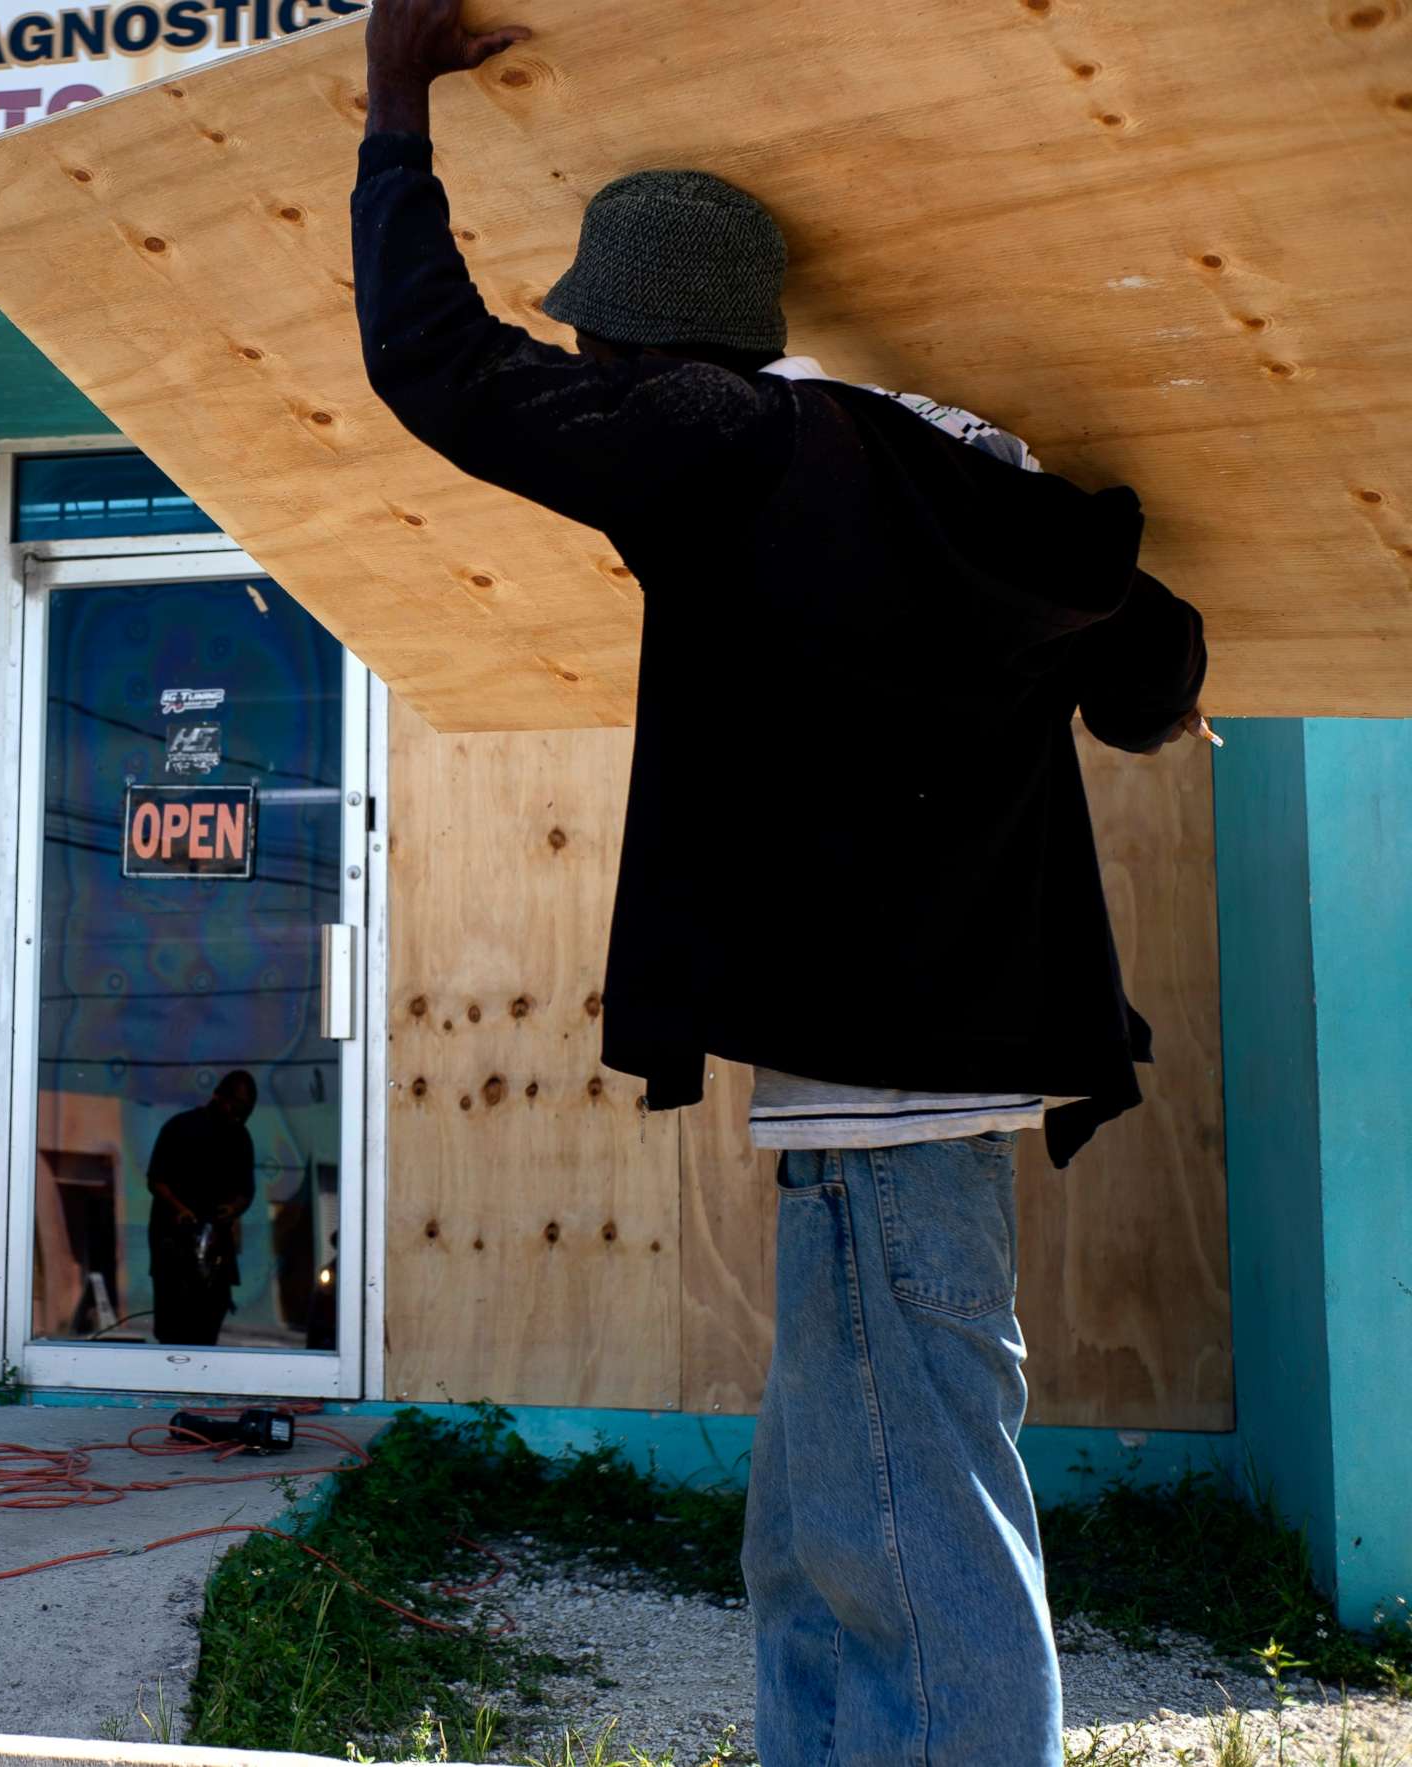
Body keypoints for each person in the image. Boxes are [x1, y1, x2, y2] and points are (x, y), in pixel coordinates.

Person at [351, 7, 1209, 1762]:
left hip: (881, 1098)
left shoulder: (719, 437)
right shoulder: (967, 468)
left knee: (913, 1526)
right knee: (822, 1538)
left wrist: (392, 100)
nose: (583, 361)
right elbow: (1152, 682)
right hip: (917, 1079)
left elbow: (439, 368)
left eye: (596, 333)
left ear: (648, 338)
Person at [143, 1071, 258, 1346]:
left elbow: (246, 1191)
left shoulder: (241, 1138)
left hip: (215, 1248)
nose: (238, 1115)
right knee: (173, 1332)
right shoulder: (180, 1127)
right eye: (236, 1106)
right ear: (219, 1096)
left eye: (245, 1110)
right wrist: (179, 1209)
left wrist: (232, 1209)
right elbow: (156, 1180)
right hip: (174, 1245)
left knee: (208, 1326)